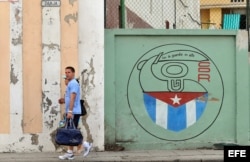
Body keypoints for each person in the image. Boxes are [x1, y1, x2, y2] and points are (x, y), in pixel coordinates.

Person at [58, 66, 92, 160]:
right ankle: (70, 153)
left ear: (73, 73)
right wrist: (64, 100)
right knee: (70, 131)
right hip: (72, 111)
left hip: (73, 112)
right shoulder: (71, 84)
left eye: (69, 72)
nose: (67, 74)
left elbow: (73, 98)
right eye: (66, 72)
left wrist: (70, 111)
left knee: (72, 132)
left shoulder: (73, 83)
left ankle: (86, 144)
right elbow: (70, 98)